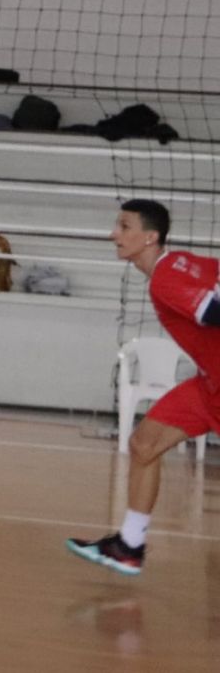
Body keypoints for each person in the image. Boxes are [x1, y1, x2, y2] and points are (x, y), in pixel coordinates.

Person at [67, 200, 220, 576]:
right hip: (208, 385)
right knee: (144, 444)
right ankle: (129, 546)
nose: (113, 235)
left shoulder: (166, 278)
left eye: (123, 226)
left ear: (150, 237)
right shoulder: (183, 262)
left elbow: (213, 313)